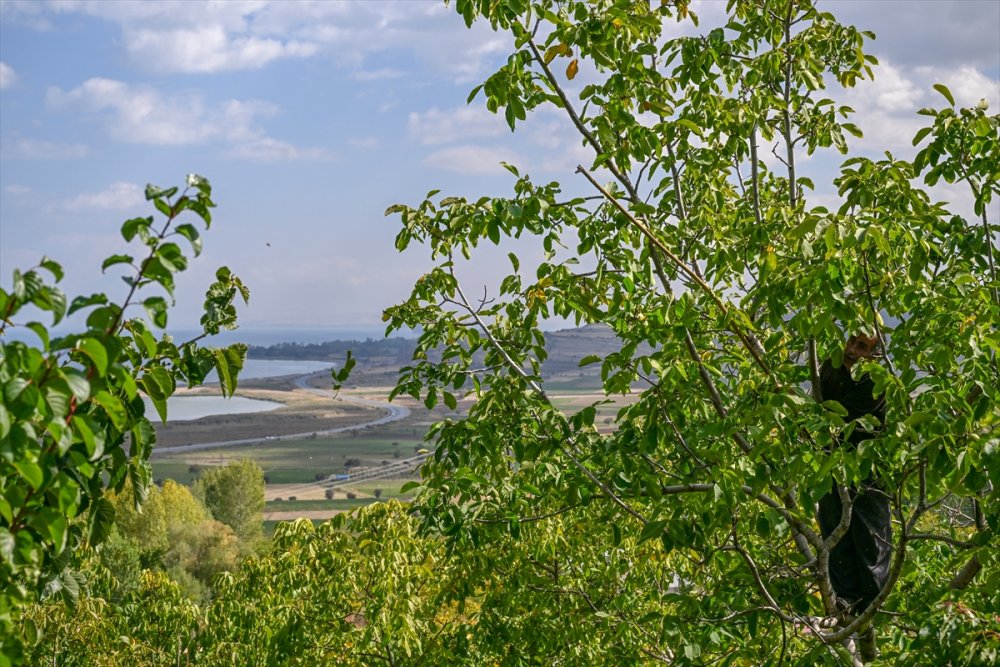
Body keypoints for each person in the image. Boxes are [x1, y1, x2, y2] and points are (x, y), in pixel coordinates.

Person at [816, 333, 892, 616]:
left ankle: (871, 604)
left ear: (874, 355)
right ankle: (844, 599)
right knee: (834, 527)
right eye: (851, 342)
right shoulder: (831, 366)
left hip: (866, 467)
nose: (851, 350)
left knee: (870, 535)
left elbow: (839, 415)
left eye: (862, 346)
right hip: (831, 464)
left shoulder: (876, 381)